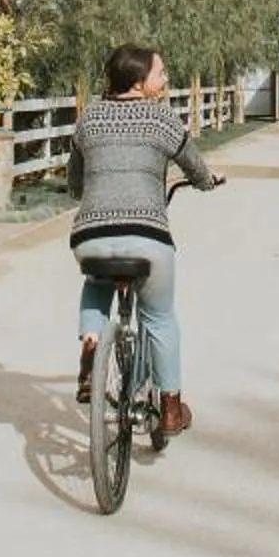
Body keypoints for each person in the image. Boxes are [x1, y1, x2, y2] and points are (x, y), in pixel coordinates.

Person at [68, 44, 223, 436]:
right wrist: (207, 183)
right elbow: (195, 166)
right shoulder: (161, 119)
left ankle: (90, 348)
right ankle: (170, 407)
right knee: (159, 318)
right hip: (147, 238)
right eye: (161, 74)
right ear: (139, 82)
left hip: (91, 237)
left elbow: (75, 184)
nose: (166, 79)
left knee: (95, 282)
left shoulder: (88, 119)